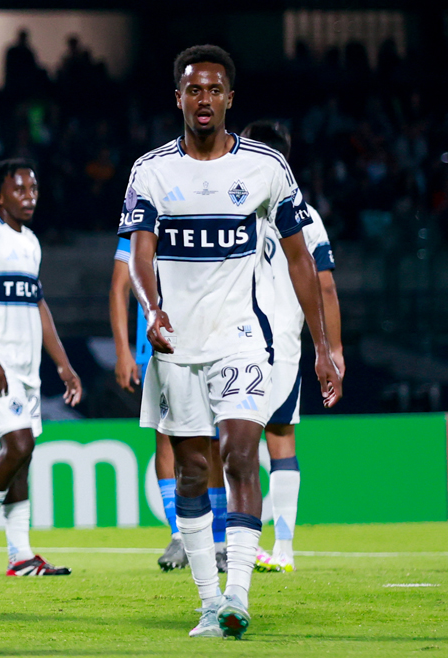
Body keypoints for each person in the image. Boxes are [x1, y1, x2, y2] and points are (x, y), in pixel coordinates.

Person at [120, 45, 341, 639]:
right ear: (179, 98)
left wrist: (323, 345)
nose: (204, 100)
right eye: (194, 89)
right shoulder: (152, 171)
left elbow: (301, 260)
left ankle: (238, 595)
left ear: (229, 99)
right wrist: (151, 306)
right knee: (194, 472)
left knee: (243, 453)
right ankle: (207, 601)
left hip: (241, 338)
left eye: (215, 90)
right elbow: (138, 255)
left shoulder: (266, 167)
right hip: (175, 345)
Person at [0, 159, 83, 577]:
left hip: (27, 367)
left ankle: (22, 555)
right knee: (19, 447)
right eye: (20, 189)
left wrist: (63, 365)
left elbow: (38, 305)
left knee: (22, 459)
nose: (30, 196)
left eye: (34, 189)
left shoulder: (30, 241)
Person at [240, 120, 343, 574]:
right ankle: (279, 549)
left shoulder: (244, 208)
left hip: (254, 341)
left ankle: (264, 549)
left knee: (245, 438)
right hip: (277, 343)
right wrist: (332, 350)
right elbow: (326, 288)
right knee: (275, 437)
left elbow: (324, 288)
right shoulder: (308, 216)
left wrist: (330, 349)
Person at [110, 240, 230, 573]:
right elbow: (120, 284)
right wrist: (123, 350)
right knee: (166, 437)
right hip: (160, 344)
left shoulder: (204, 208)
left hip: (211, 338)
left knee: (216, 442)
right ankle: (179, 536)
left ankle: (218, 542)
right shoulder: (142, 216)